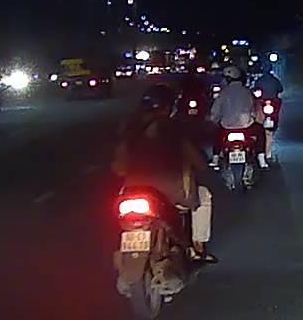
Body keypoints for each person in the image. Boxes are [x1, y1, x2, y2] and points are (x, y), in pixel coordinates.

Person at [111, 84, 217, 263]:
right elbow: (198, 161)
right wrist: (201, 164)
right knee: (204, 197)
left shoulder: (129, 129)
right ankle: (198, 247)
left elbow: (119, 169)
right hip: (172, 192)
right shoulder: (176, 128)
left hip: (132, 192)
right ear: (169, 107)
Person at [208, 65, 266, 169]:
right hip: (247, 126)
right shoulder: (247, 92)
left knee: (216, 135)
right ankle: (262, 159)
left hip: (226, 127)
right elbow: (255, 109)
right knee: (261, 132)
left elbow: (215, 111)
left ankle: (215, 159)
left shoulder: (223, 93)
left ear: (228, 79)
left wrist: (213, 120)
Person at [253, 67, 284, 163]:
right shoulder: (274, 80)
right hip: (266, 105)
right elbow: (280, 89)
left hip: (267, 105)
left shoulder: (260, 80)